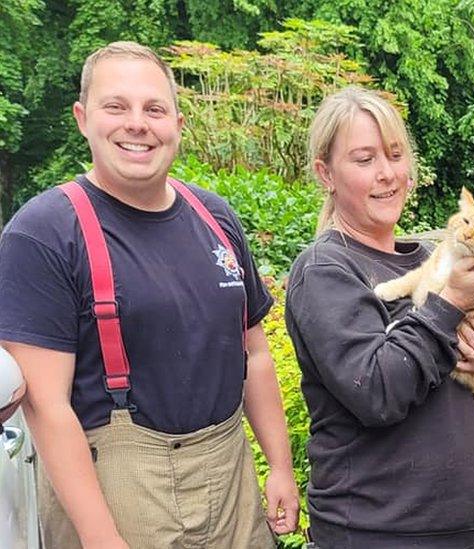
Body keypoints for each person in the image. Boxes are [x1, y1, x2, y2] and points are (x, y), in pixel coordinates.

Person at [0, 41, 299, 549]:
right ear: (82, 118)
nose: (137, 124)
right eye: (116, 106)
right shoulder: (45, 233)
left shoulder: (215, 217)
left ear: (178, 124)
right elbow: (48, 409)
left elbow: (255, 353)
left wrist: (281, 467)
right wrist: (100, 538)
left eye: (154, 109)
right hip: (118, 494)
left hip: (230, 478)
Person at [284, 86, 474, 549]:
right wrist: (450, 304)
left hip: (459, 533)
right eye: (364, 160)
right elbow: (377, 392)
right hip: (376, 533)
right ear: (326, 173)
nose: (387, 174)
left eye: (395, 154)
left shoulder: (433, 258)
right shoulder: (326, 271)